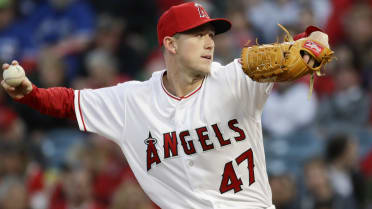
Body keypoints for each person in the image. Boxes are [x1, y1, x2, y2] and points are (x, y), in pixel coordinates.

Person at [1, 2, 329, 209]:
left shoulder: (236, 78)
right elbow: (68, 103)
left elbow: (305, 47)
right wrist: (29, 92)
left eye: (211, 35)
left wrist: (315, 38)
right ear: (170, 44)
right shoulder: (133, 100)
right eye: (198, 34)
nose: (209, 42)